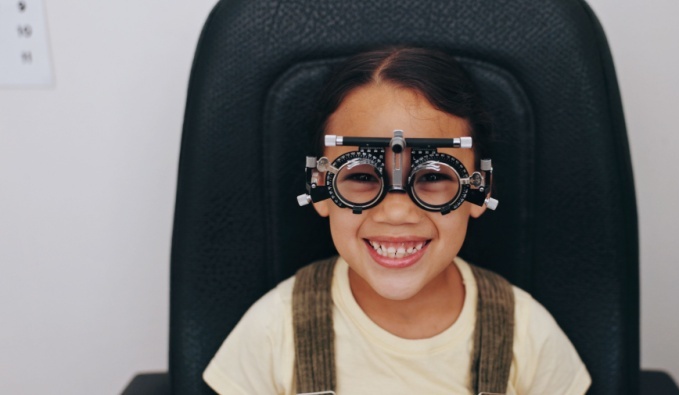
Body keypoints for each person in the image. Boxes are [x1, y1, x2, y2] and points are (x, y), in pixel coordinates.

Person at [202, 46, 591, 395]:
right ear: (320, 187)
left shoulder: (527, 334)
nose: (397, 212)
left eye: (435, 176)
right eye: (361, 176)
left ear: (480, 190)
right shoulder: (274, 331)